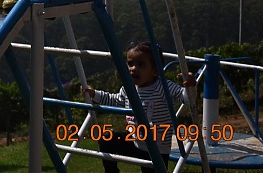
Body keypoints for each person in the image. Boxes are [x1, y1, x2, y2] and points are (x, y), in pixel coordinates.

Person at [83, 41, 197, 173]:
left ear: (155, 70)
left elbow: (186, 98)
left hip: (156, 148)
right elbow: (115, 100)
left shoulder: (162, 86)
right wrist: (94, 94)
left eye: (141, 65)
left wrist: (189, 86)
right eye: (130, 64)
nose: (133, 68)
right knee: (106, 141)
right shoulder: (128, 88)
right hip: (135, 141)